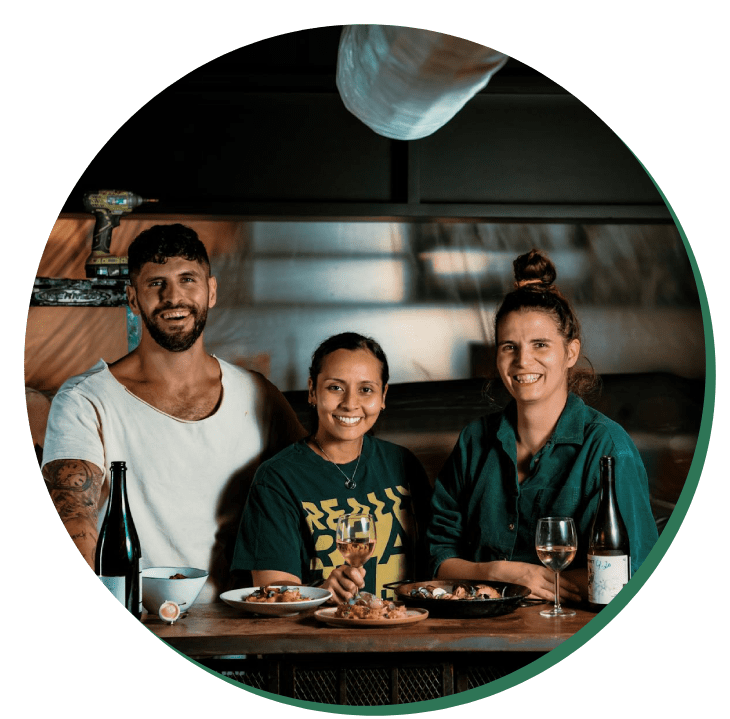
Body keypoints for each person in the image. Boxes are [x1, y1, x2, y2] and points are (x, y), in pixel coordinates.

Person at [42, 224, 305, 602]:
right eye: (156, 284)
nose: (173, 297)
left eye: (187, 279)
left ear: (211, 291)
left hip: (245, 623)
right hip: (137, 623)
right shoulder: (85, 399)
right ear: (132, 298)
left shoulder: (258, 393)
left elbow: (310, 485)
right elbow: (72, 518)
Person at [427, 249, 658, 602]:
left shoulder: (608, 448)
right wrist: (498, 571)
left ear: (570, 352)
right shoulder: (475, 440)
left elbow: (632, 575)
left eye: (540, 344)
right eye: (509, 347)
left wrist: (509, 583)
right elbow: (438, 555)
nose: (523, 361)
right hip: (470, 631)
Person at [231, 332, 431, 603]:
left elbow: (435, 563)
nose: (350, 403)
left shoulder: (403, 463)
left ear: (383, 396)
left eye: (366, 389)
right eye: (335, 387)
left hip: (406, 635)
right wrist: (321, 592)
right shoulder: (277, 479)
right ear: (312, 390)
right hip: (319, 639)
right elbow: (271, 590)